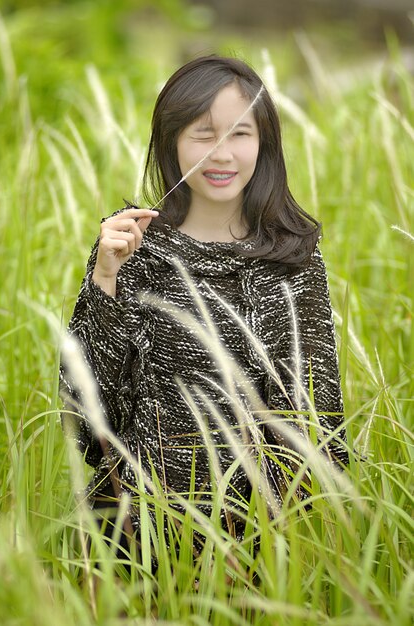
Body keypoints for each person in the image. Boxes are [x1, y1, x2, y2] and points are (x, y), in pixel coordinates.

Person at [60, 55, 348, 561]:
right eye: (202, 133)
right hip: (139, 535)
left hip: (265, 542)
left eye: (240, 133)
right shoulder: (133, 247)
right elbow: (86, 415)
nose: (222, 154)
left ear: (265, 143)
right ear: (171, 141)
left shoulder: (294, 258)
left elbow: (316, 416)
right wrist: (104, 278)